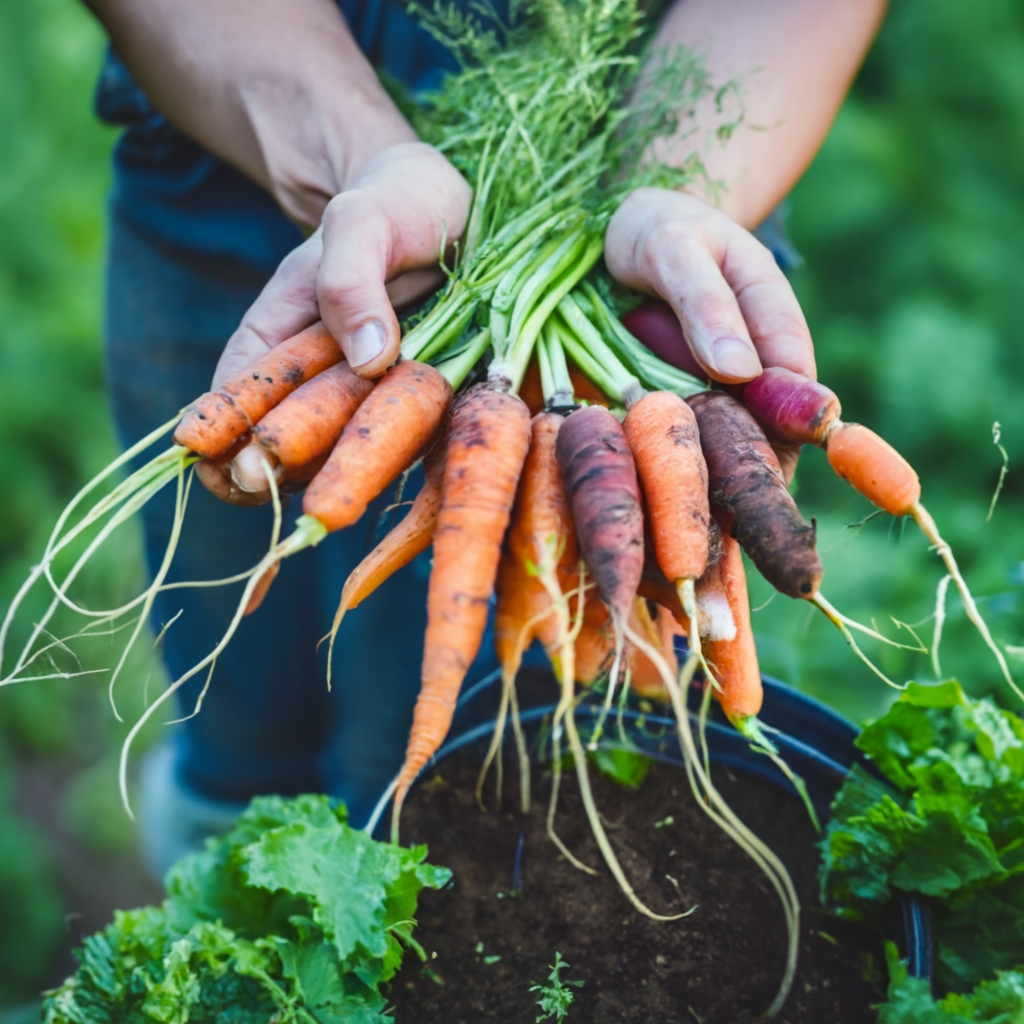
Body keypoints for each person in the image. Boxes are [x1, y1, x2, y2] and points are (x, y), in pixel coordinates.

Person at [84, 0, 886, 873]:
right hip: (227, 114)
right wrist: (369, 161)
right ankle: (215, 906)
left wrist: (671, 194)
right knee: (235, 712)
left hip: (672, 221)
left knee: (471, 777)